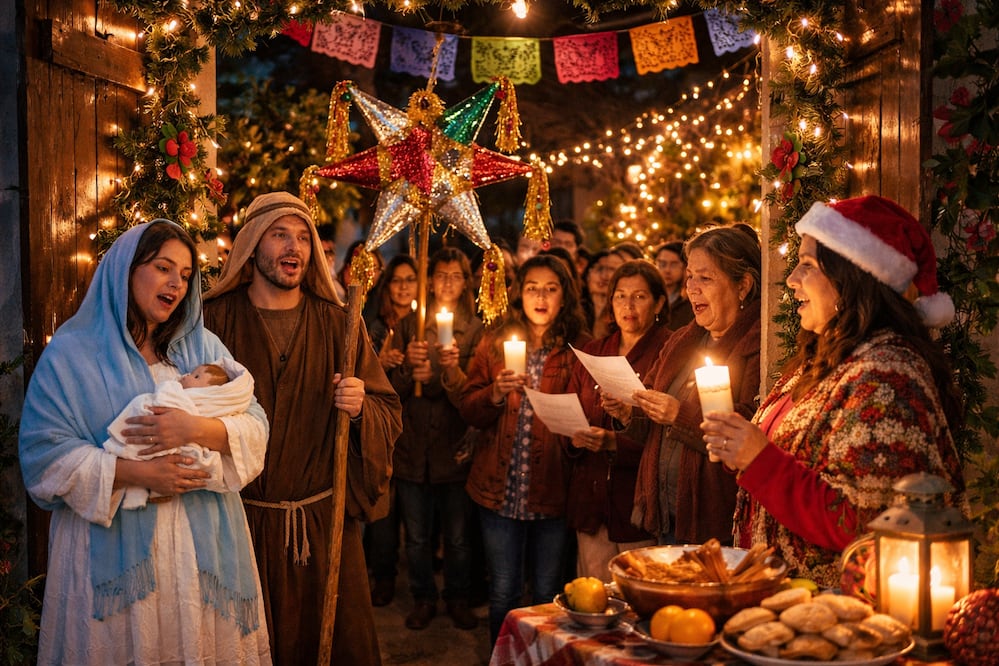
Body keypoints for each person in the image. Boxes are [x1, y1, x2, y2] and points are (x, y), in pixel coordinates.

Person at [19, 220, 271, 665]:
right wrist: (139, 473)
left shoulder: (201, 347)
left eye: (187, 274)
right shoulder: (73, 354)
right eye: (163, 267)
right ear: (126, 271)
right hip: (109, 563)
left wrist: (193, 431)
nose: (177, 282)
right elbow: (44, 455)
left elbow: (255, 426)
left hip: (197, 557)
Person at [701, 196, 966, 588]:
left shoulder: (886, 376)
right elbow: (788, 461)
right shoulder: (822, 360)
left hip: (843, 620)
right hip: (787, 603)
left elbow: (868, 522)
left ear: (852, 277)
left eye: (807, 266)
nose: (791, 279)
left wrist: (759, 459)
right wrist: (739, 449)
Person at [203, 191, 402, 666]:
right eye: (279, 235)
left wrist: (360, 408)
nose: (293, 248)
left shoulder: (339, 323)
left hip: (324, 525)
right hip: (240, 525)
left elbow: (387, 411)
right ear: (252, 244)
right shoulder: (215, 321)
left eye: (302, 238)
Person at [458, 253, 589, 643]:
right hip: (499, 488)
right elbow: (468, 406)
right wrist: (494, 394)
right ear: (519, 294)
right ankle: (504, 656)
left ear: (565, 296)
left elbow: (588, 416)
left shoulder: (577, 349)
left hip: (551, 489)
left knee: (548, 591)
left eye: (551, 288)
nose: (541, 297)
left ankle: (541, 655)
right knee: (504, 590)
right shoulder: (495, 341)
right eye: (533, 288)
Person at [604, 224, 762, 546]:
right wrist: (628, 413)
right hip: (666, 514)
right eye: (689, 276)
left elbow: (750, 429)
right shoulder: (682, 341)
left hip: (713, 522)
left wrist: (680, 414)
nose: (691, 288)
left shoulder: (757, 347)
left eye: (705, 278)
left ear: (743, 285)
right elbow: (648, 420)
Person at [391, 247, 484, 631]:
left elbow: (473, 395)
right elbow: (391, 387)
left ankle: (458, 597)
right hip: (414, 448)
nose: (446, 282)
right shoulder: (411, 324)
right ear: (430, 279)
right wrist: (408, 368)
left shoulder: (476, 329)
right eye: (440, 274)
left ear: (466, 282)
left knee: (458, 537)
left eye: (455, 275)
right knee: (416, 537)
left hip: (453, 448)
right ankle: (423, 597)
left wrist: (444, 373)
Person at [565, 260, 671, 581]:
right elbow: (572, 410)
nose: (628, 305)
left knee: (636, 595)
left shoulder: (667, 350)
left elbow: (667, 432)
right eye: (620, 296)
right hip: (592, 500)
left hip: (637, 502)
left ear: (659, 303)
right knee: (593, 595)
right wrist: (575, 437)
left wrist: (616, 441)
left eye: (639, 296)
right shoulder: (595, 350)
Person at [103, 358, 254, 509]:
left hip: (205, 508)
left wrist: (192, 428)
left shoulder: (205, 402)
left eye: (196, 377)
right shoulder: (180, 391)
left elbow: (255, 433)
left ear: (210, 393)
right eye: (193, 373)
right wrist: (141, 472)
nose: (187, 375)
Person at [360, 254, 418, 607]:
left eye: (410, 280)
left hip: (414, 429)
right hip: (378, 428)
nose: (403, 287)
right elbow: (358, 369)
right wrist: (379, 363)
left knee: (413, 516)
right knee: (381, 509)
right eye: (397, 280)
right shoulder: (373, 321)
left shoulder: (421, 322)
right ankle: (381, 574)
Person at [653, 240, 695, 329]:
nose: (667, 270)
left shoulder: (691, 300)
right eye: (662, 264)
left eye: (673, 265)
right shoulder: (651, 295)